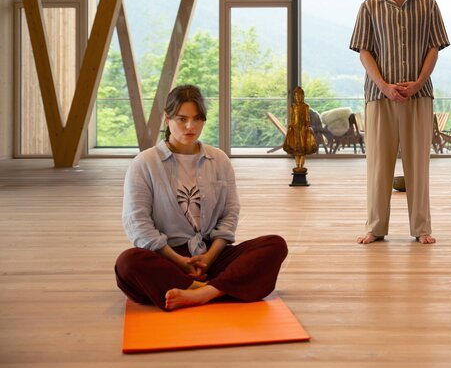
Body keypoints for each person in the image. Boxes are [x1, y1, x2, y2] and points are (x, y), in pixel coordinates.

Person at [115, 85, 288, 311]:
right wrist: (180, 261)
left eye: (197, 119)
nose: (190, 126)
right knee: (128, 263)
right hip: (169, 258)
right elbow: (138, 224)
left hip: (212, 255)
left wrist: (209, 256)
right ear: (167, 119)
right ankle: (217, 288)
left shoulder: (218, 160)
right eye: (181, 119)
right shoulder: (145, 163)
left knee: (275, 245)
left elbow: (229, 214)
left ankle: (200, 292)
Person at [349, 0, 450, 245]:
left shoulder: (428, 5)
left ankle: (422, 228)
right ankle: (375, 227)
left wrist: (418, 82)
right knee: (379, 164)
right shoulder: (369, 6)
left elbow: (434, 47)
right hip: (379, 96)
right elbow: (364, 51)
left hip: (419, 96)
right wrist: (383, 85)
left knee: (418, 163)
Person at [282, 86, 318, 171]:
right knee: (296, 148)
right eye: (297, 96)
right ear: (295, 96)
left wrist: (308, 127)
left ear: (303, 96)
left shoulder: (305, 106)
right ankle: (297, 165)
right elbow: (292, 118)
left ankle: (301, 166)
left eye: (301, 95)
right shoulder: (293, 107)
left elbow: (307, 118)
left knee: (303, 148)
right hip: (295, 129)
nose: (299, 97)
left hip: (303, 129)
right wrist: (290, 127)